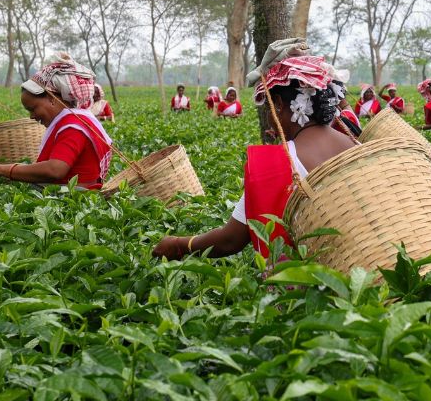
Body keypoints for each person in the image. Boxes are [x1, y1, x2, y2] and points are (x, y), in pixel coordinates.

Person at [152, 47, 356, 260]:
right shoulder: (356, 144)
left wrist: (178, 244)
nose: (269, 117)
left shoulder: (276, 165)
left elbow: (230, 240)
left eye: (268, 108)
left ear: (278, 104)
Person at [0, 55, 113, 190]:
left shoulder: (73, 126)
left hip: (73, 197)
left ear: (52, 98)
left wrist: (1, 169)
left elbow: (55, 170)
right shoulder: (80, 119)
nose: (32, 116)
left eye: (33, 109)